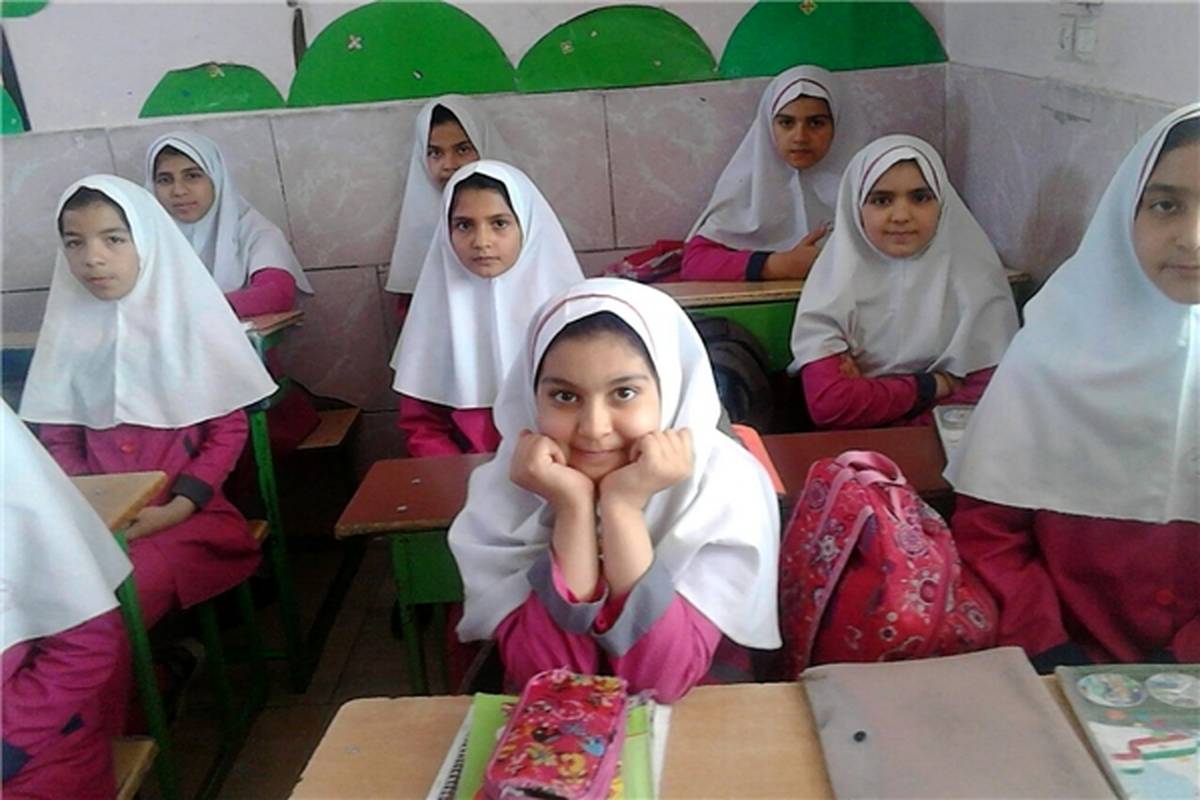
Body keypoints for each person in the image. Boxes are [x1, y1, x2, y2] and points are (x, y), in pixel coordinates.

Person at [946, 105, 1200, 669]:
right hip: (1057, 665)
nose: (1192, 238)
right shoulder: (1050, 353)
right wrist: (1048, 648)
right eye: (1166, 206)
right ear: (1123, 212)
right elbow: (990, 532)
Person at [449, 278, 781, 702]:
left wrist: (622, 509)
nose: (594, 428)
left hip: (702, 721)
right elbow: (552, 683)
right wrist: (572, 509)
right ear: (532, 398)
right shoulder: (504, 495)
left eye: (624, 393)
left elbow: (660, 681)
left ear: (670, 388)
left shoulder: (723, 488)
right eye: (564, 396)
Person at [20, 175, 275, 629]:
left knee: (110, 601)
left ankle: (146, 666)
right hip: (96, 521)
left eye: (114, 239)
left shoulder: (192, 326)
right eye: (74, 243)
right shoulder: (67, 335)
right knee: (38, 594)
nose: (92, 257)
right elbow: (58, 438)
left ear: (147, 242)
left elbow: (227, 432)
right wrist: (96, 508)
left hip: (189, 519)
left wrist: (178, 507)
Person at [789, 135, 1018, 429]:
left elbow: (985, 396)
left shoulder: (978, 284)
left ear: (943, 203)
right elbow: (831, 404)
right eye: (881, 200)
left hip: (946, 448)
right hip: (854, 451)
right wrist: (936, 385)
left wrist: (886, 413)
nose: (901, 216)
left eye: (920, 198)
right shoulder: (831, 287)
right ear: (856, 208)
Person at [390, 160, 583, 456]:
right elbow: (422, 427)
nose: (481, 241)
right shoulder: (432, 315)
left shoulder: (570, 316)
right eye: (464, 225)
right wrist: (470, 478)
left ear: (528, 224)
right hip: (465, 474)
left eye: (499, 224)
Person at [2, 402, 133, 800]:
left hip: (26, 751)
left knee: (142, 588)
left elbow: (86, 644)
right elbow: (59, 430)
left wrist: (184, 501)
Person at [681, 65, 855, 281]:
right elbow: (695, 263)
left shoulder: (868, 187)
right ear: (768, 126)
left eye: (816, 123)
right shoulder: (747, 188)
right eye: (786, 123)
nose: (800, 137)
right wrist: (777, 265)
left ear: (839, 125)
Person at [384, 96, 513, 312]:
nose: (449, 165)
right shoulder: (418, 236)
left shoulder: (521, 215)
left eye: (462, 150)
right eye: (435, 153)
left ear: (484, 146)